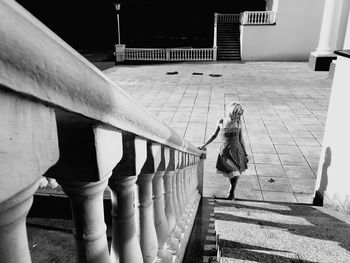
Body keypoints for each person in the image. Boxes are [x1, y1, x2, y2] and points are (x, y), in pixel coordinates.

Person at [199, 102, 248, 200]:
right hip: (226, 151)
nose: (240, 116)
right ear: (233, 112)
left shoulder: (239, 122)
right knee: (231, 172)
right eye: (238, 113)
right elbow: (214, 135)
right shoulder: (221, 121)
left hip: (237, 150)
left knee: (236, 172)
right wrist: (204, 145)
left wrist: (245, 152)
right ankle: (231, 191)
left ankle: (231, 193)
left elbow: (241, 139)